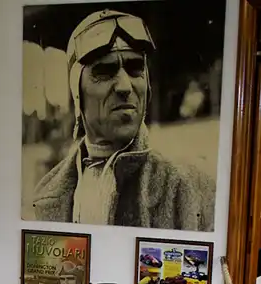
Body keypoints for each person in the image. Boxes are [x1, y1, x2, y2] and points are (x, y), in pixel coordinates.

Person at [31, 8, 216, 230]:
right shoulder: (45, 195)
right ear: (77, 93)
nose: (125, 86)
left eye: (135, 68)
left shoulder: (188, 188)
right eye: (105, 72)